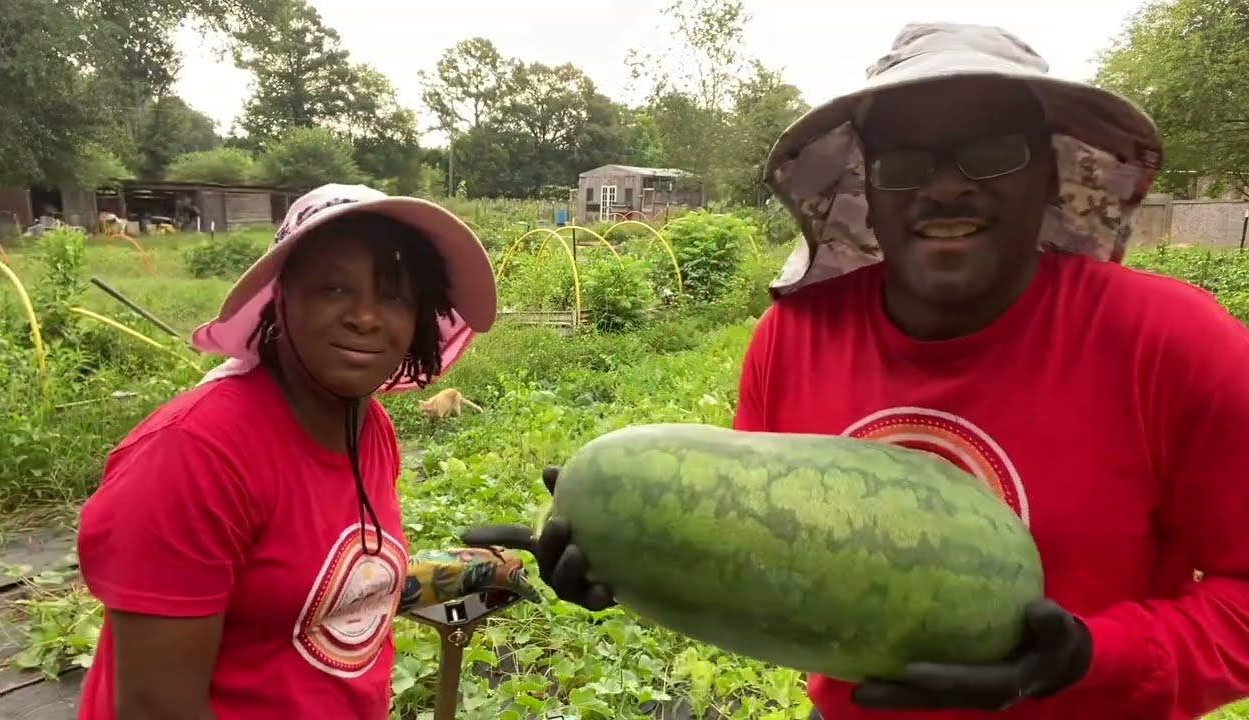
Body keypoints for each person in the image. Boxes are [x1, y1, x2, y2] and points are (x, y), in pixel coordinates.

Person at [464, 22, 1249, 720]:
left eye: (989, 150)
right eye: (905, 159)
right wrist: (631, 563)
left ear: (1049, 172)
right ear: (865, 188)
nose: (945, 185)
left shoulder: (1172, 341)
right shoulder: (795, 335)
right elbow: (759, 567)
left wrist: (1089, 660)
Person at [75, 184, 537, 720]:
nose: (366, 317)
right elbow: (156, 708)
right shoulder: (196, 455)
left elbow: (316, 590)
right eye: (334, 289)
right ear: (282, 297)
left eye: (393, 295)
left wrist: (468, 571)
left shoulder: (368, 426)